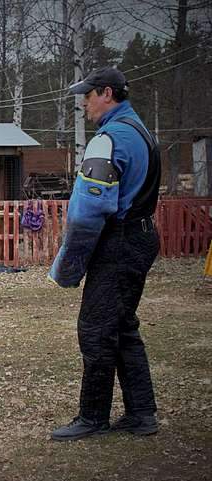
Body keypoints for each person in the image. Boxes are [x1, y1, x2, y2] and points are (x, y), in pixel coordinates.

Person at [48, 67, 161, 441]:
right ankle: (141, 415)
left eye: (88, 95)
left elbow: (87, 213)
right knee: (122, 326)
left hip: (119, 242)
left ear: (107, 93)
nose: (83, 104)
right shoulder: (142, 132)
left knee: (96, 330)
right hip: (142, 236)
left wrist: (67, 267)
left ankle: (93, 418)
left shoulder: (109, 139)